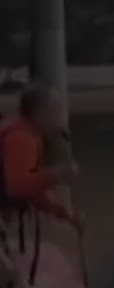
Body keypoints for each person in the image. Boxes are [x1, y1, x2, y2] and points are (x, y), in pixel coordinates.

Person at [0, 83, 82, 230]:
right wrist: (57, 174)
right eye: (56, 110)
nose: (60, 116)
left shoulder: (27, 133)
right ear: (40, 113)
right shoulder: (21, 138)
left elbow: (31, 189)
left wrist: (63, 213)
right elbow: (17, 186)